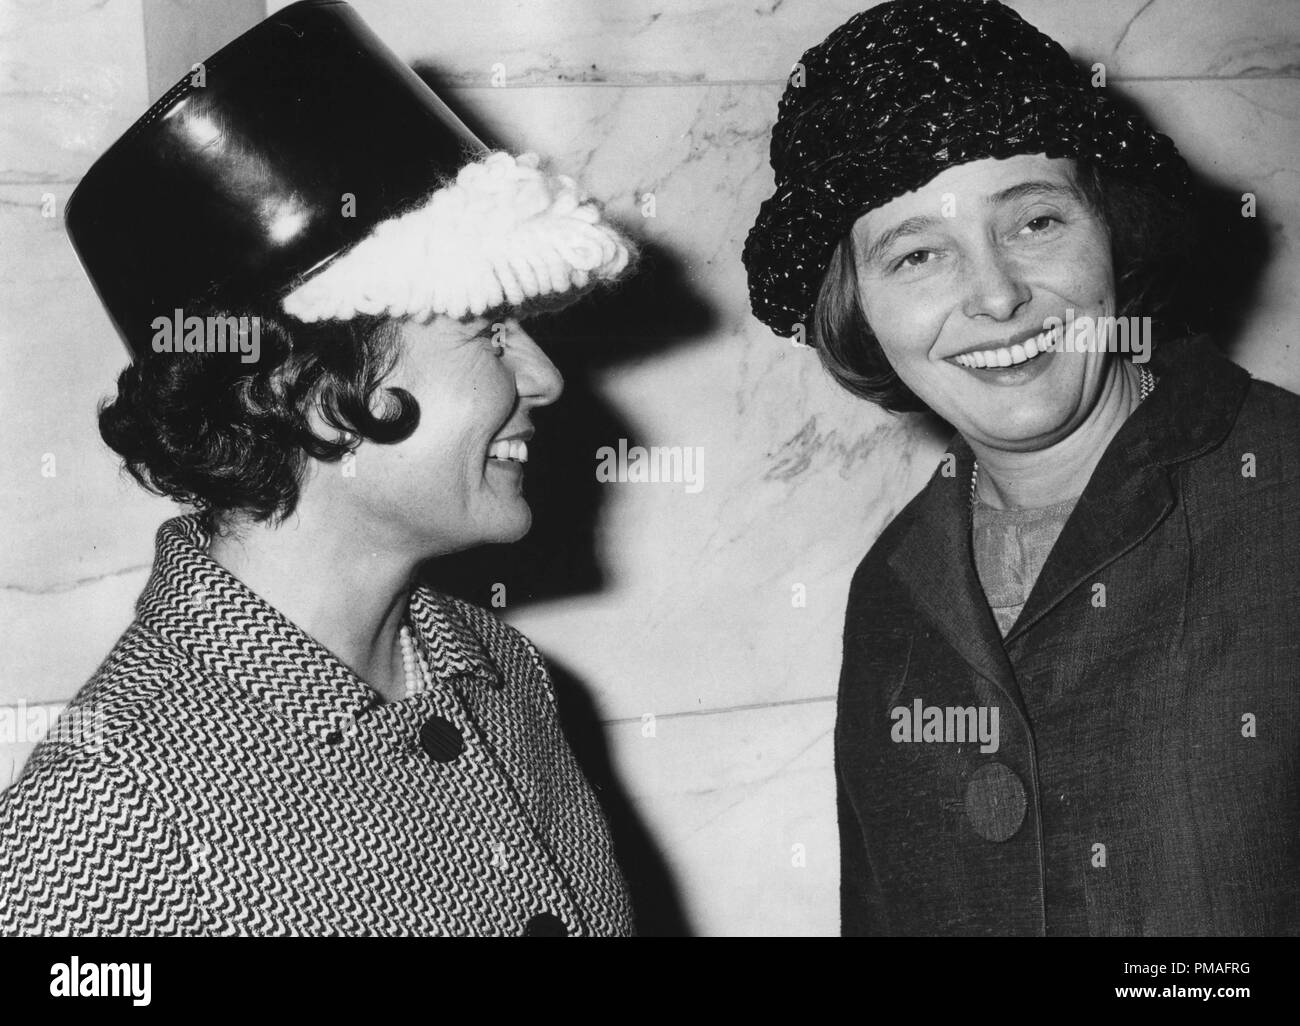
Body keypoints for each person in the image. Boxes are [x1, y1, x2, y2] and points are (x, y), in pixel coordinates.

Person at [0, 0, 636, 937]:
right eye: (488, 330)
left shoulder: (503, 671)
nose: (543, 376)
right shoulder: (99, 822)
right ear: (296, 388)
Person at [744, 0, 1299, 935]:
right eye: (917, 254)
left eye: (1036, 221)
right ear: (861, 312)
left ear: (1113, 237)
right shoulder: (892, 591)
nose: (995, 293)